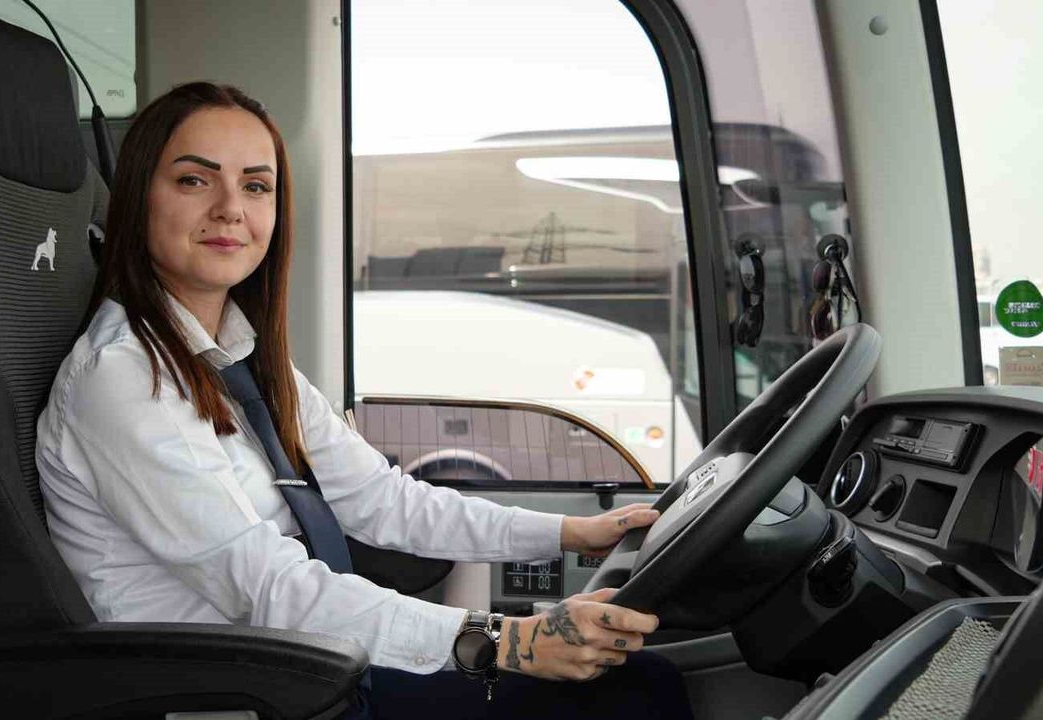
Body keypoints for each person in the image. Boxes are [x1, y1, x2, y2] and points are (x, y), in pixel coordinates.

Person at [35, 82, 692, 720]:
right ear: (138, 200)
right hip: (236, 693)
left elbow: (381, 498)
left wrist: (569, 534)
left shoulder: (240, 358)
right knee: (634, 695)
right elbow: (268, 589)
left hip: (305, 667)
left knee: (639, 681)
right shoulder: (124, 379)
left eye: (256, 186)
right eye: (194, 180)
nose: (232, 208)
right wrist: (507, 642)